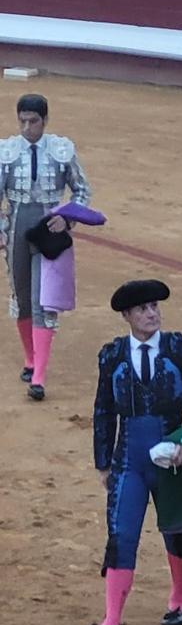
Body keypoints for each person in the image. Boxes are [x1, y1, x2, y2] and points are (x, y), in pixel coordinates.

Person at [87, 280, 182, 625]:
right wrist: (103, 463)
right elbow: (103, 410)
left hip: (172, 459)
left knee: (175, 529)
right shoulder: (112, 356)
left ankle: (178, 599)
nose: (151, 313)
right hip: (127, 461)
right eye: (143, 309)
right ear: (127, 316)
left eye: (155, 307)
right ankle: (112, 621)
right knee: (121, 533)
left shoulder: (181, 349)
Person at [0, 93, 91, 401]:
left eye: (33, 121)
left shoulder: (61, 150)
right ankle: (29, 358)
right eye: (22, 121)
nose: (27, 128)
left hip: (50, 226)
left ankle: (39, 375)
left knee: (44, 298)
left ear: (45, 120)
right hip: (17, 227)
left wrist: (66, 220)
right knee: (22, 295)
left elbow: (81, 191)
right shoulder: (7, 151)